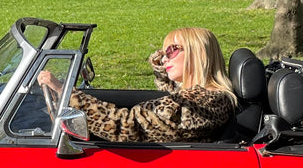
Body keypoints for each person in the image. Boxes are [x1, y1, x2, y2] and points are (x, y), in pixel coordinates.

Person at [38, 27, 236, 142]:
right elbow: (169, 90)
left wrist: (65, 92)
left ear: (196, 54)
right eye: (162, 53)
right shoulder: (194, 97)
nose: (164, 59)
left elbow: (126, 126)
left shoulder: (201, 103)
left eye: (171, 51)